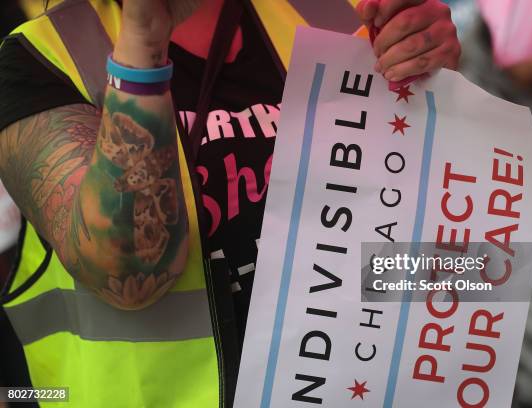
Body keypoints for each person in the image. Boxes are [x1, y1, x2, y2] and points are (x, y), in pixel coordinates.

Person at [0, 0, 459, 406]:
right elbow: (130, 274)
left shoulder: (342, 12)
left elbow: (472, 260)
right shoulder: (40, 58)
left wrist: (437, 74)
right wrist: (143, 44)